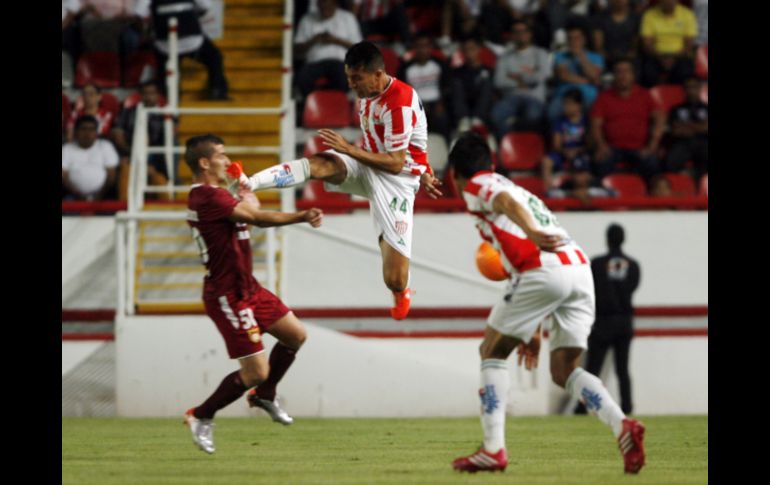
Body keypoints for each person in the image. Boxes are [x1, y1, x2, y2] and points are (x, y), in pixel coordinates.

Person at [446, 133, 645, 475]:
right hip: (578, 270)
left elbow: (506, 203)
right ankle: (622, 425)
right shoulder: (515, 185)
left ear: (455, 174)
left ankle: (493, 449)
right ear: (492, 161)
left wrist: (532, 233)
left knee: (491, 351)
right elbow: (516, 239)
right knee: (563, 369)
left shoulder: (477, 185)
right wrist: (533, 328)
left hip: (542, 268)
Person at [239, 41, 443, 321]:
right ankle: (251, 182)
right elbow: (414, 139)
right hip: (367, 163)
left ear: (378, 73)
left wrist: (350, 149)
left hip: (397, 181)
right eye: (349, 78)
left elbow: (396, 163)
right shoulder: (367, 94)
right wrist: (423, 166)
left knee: (394, 279)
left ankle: (402, 290)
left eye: (356, 78)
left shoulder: (399, 102)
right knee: (321, 164)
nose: (351, 85)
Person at [182, 134, 324, 454]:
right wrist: (301, 215)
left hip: (249, 287)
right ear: (204, 163)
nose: (226, 159)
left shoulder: (219, 194)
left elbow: (252, 209)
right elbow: (257, 217)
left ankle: (265, 395)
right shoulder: (205, 196)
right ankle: (201, 415)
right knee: (255, 371)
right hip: (227, 293)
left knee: (295, 335)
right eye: (220, 154)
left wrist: (243, 190)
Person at [575, 223, 640, 415]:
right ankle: (627, 407)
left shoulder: (597, 263)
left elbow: (590, 289)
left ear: (607, 239)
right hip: (625, 321)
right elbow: (632, 287)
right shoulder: (633, 265)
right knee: (623, 369)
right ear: (623, 239)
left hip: (603, 321)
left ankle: (582, 406)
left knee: (592, 367)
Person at [133, 0, 230, 100]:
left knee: (164, 72)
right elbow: (206, 6)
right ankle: (217, 91)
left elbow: (139, 13)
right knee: (215, 57)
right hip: (191, 40)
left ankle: (168, 98)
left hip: (165, 44)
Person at [62, 115, 120, 201]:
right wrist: (79, 196)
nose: (87, 133)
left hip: (103, 196)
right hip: (73, 196)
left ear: (96, 132)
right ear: (76, 132)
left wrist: (98, 197)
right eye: (83, 129)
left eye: (91, 129)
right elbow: (63, 177)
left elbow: (111, 176)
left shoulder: (105, 146)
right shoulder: (66, 149)